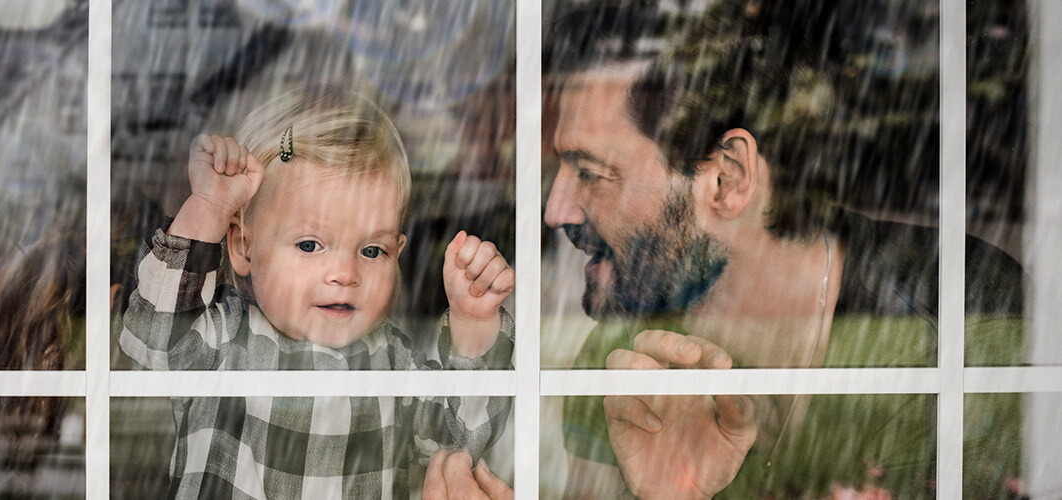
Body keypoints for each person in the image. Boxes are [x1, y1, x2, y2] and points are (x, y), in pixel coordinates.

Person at [428, 4, 1027, 499]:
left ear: (728, 179)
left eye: (590, 171)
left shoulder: (961, 320)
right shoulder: (623, 357)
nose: (555, 209)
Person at [118, 87, 516, 499]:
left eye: (371, 250)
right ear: (241, 246)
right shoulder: (223, 337)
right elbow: (150, 337)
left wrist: (472, 322)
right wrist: (207, 207)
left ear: (397, 254)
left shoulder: (391, 361)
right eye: (309, 245)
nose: (345, 273)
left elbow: (463, 435)